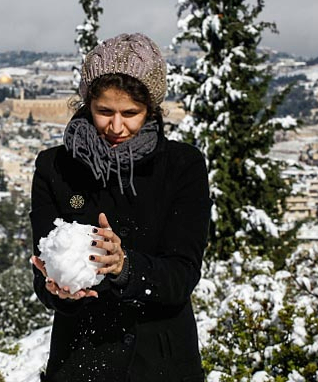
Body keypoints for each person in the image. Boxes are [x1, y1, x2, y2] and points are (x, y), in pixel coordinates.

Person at [30, 33, 212, 382]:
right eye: (104, 112)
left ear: (152, 109)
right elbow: (44, 271)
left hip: (161, 363)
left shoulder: (181, 167)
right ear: (87, 105)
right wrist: (60, 291)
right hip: (80, 361)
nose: (116, 127)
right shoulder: (54, 168)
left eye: (130, 113)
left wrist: (126, 267)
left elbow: (181, 275)